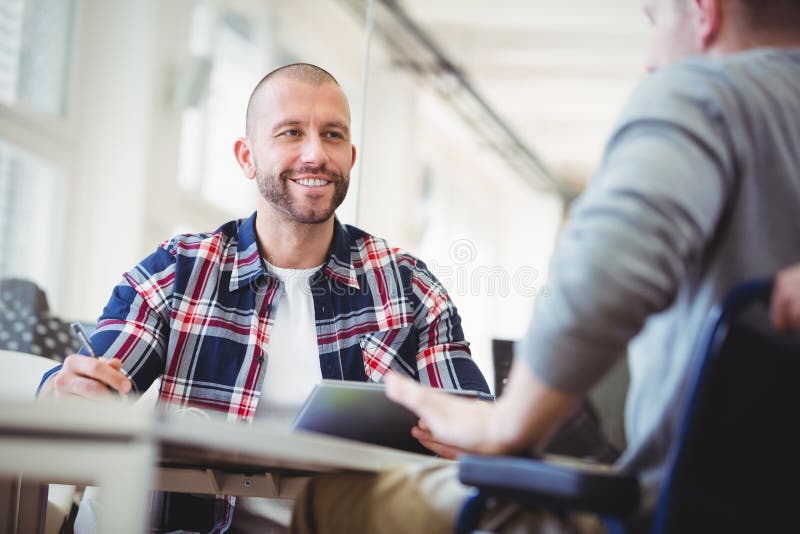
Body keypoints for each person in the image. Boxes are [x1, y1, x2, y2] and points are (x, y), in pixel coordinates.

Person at [288, 0, 800, 532]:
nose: (650, 61)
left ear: (703, 13)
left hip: (664, 516)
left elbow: (606, 278)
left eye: (655, 24)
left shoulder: (704, 94)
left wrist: (509, 425)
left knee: (336, 500)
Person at [37, 63, 490, 533]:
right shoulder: (176, 271)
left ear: (351, 156)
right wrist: (69, 393)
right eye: (291, 132)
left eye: (332, 135)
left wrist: (473, 435)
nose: (316, 153)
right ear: (247, 157)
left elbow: (472, 416)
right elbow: (91, 386)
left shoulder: (409, 286)